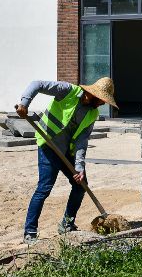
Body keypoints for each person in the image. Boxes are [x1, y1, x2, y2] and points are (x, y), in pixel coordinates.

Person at [15, 77, 118, 244]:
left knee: (80, 185)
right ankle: (30, 231)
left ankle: (67, 224)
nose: (103, 104)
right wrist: (24, 104)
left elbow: (81, 141)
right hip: (48, 144)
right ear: (93, 95)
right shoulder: (68, 91)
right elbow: (37, 84)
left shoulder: (92, 113)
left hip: (67, 151)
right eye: (102, 100)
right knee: (44, 188)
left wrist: (79, 167)